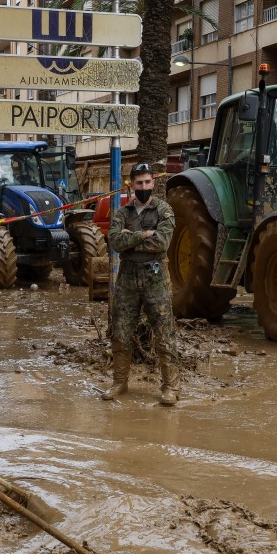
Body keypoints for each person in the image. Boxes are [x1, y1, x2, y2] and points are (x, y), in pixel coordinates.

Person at [102, 163, 182, 406]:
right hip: (126, 278)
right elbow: (114, 241)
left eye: (147, 182)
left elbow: (162, 243)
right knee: (121, 331)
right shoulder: (122, 212)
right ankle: (119, 382)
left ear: (152, 183)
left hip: (154, 277)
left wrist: (131, 239)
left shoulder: (163, 210)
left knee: (164, 332)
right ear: (132, 185)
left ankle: (170, 387)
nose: (144, 187)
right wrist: (143, 235)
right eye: (139, 183)